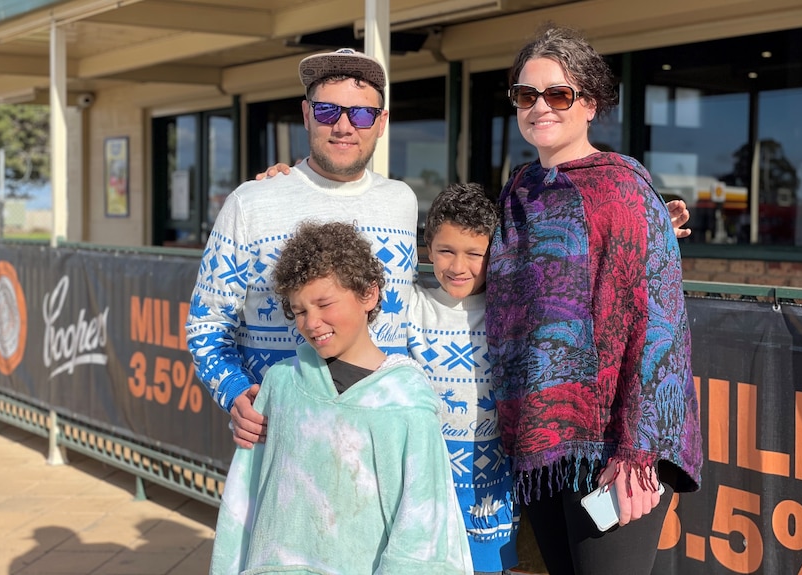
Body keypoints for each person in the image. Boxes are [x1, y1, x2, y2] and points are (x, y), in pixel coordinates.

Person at [485, 24, 703, 575]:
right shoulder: (519, 191)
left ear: (591, 104)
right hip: (541, 437)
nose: (540, 107)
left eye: (558, 94)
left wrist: (638, 452)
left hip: (613, 442)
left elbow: (660, 326)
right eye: (525, 95)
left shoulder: (625, 190)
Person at [210, 221, 473, 575]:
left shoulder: (406, 400)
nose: (312, 322)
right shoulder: (280, 386)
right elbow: (243, 502)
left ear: (368, 294)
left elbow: (424, 524)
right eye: (300, 310)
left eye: (324, 303)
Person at [185, 48, 418, 448]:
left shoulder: (403, 202)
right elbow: (207, 325)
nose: (345, 126)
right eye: (329, 111)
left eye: (361, 114)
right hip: (282, 439)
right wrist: (237, 394)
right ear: (307, 114)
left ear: (381, 124)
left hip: (381, 440)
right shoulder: (252, 202)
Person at [406, 183, 518, 575]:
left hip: (487, 498)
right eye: (446, 251)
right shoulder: (408, 306)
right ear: (427, 248)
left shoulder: (510, 312)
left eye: (475, 254)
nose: (458, 267)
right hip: (421, 494)